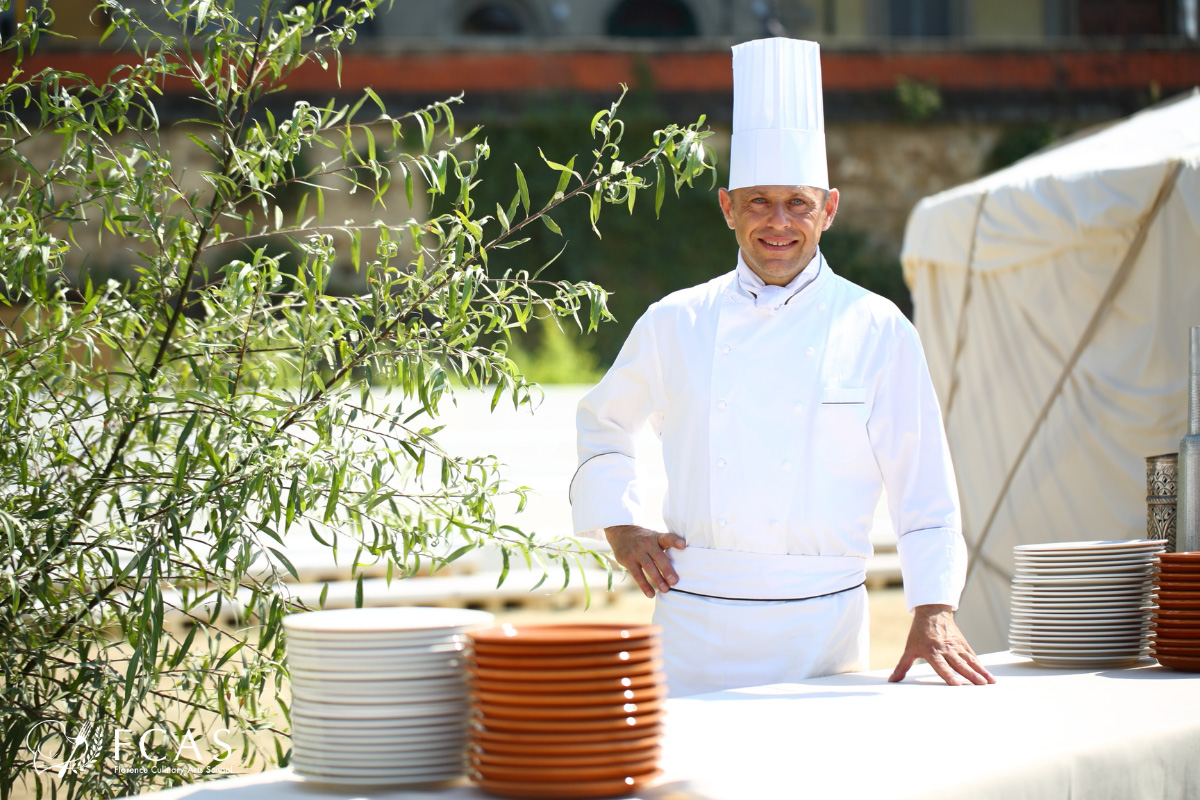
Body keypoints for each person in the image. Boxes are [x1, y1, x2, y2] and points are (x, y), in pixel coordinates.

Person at [569, 37, 994, 696]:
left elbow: (924, 484)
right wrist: (621, 530)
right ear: (727, 209)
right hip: (694, 628)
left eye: (797, 202)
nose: (778, 223)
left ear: (828, 210)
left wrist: (933, 607)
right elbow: (602, 421)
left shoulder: (879, 327)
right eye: (758, 202)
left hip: (824, 633)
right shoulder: (675, 320)